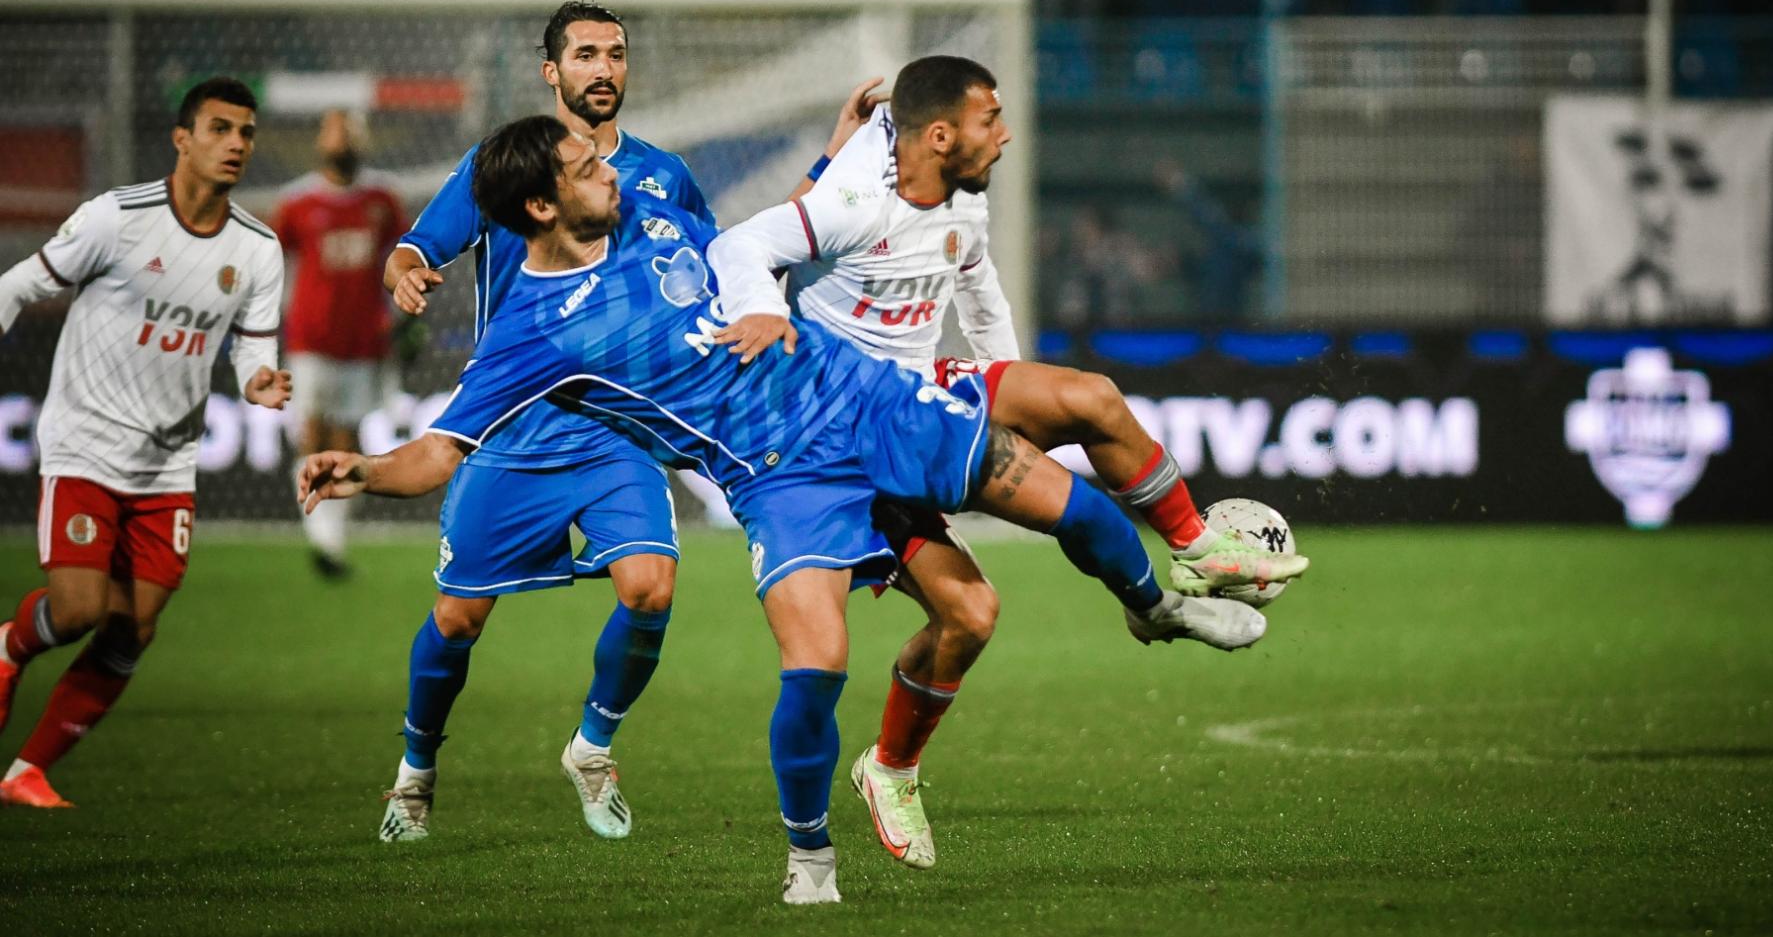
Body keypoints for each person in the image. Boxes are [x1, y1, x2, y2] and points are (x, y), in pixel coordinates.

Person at [299, 115, 1273, 904]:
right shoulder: (531, 332)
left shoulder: (651, 206)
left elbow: (759, 237)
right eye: (583, 164)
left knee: (1068, 502)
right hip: (778, 477)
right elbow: (437, 452)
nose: (608, 165)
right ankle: (811, 862)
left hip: (858, 396)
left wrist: (833, 161)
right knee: (817, 667)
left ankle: (1159, 605)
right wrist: (361, 469)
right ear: (542, 203)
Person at [707, 55, 1303, 869]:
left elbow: (979, 290)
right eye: (992, 118)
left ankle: (1193, 546)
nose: (1007, 132)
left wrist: (1015, 405)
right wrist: (760, 311)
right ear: (942, 134)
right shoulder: (854, 197)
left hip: (926, 399)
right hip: (845, 440)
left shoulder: (961, 197)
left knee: (1089, 398)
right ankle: (891, 767)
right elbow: (742, 242)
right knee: (971, 616)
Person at [372, 0, 882, 845]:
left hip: (618, 425)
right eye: (584, 54)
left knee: (650, 587)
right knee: (459, 618)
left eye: (615, 53)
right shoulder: (512, 164)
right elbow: (423, 244)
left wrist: (834, 151)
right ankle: (415, 773)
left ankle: (591, 746)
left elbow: (740, 252)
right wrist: (405, 269)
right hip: (520, 420)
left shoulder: (659, 173)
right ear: (553, 72)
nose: (602, 68)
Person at [0, 78, 292, 809]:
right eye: (220, 128)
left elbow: (252, 351)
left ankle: (27, 769)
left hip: (168, 463)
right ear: (181, 137)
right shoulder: (117, 218)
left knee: (134, 626)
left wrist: (259, 384)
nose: (235, 144)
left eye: (246, 133)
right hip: (86, 443)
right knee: (76, 611)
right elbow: (17, 286)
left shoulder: (257, 248)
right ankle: (7, 646)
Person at [273, 109, 407, 578]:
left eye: (348, 132)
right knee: (311, 432)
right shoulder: (297, 202)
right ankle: (320, 536)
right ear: (319, 142)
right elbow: (279, 267)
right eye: (333, 131)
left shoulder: (381, 198)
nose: (341, 141)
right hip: (311, 338)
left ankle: (334, 539)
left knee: (347, 438)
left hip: (364, 339)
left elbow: (400, 259)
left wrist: (399, 316)